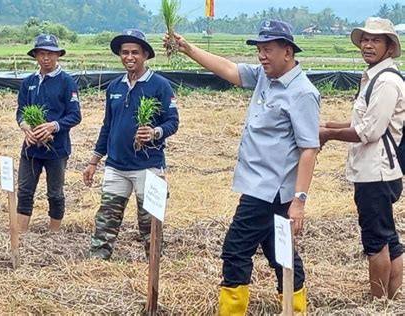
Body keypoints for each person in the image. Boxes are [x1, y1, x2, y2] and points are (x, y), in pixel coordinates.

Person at [165, 20, 320, 314]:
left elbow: (309, 149)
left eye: (268, 49)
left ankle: (233, 310)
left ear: (288, 51)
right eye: (259, 49)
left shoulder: (302, 93)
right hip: (258, 184)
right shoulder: (265, 77)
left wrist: (299, 201)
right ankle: (295, 306)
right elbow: (228, 69)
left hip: (269, 190)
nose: (262, 56)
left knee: (235, 250)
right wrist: (187, 49)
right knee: (279, 251)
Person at [320, 17, 403, 299]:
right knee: (388, 237)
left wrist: (328, 136)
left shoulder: (386, 82)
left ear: (389, 47)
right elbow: (363, 121)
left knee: (376, 240)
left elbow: (369, 131)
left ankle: (377, 301)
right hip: (379, 170)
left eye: (375, 40)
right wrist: (331, 125)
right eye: (365, 39)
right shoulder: (375, 77)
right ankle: (389, 300)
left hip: (376, 171)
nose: (367, 45)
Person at [83, 29, 179, 260]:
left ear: (145, 55)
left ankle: (154, 264)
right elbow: (108, 126)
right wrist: (94, 162)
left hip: (148, 166)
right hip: (116, 166)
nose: (129, 57)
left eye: (135, 52)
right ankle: (98, 262)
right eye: (124, 52)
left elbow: (173, 122)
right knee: (106, 218)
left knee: (149, 222)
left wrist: (155, 132)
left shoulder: (160, 85)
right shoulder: (114, 87)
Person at [16, 34, 82, 232]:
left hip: (57, 148)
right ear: (36, 56)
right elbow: (20, 111)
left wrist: (53, 126)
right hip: (31, 148)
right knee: (25, 190)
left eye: (51, 54)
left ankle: (54, 234)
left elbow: (75, 115)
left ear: (57, 56)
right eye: (42, 53)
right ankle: (21, 232)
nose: (46, 58)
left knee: (55, 193)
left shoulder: (66, 82)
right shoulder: (28, 82)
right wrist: (25, 126)